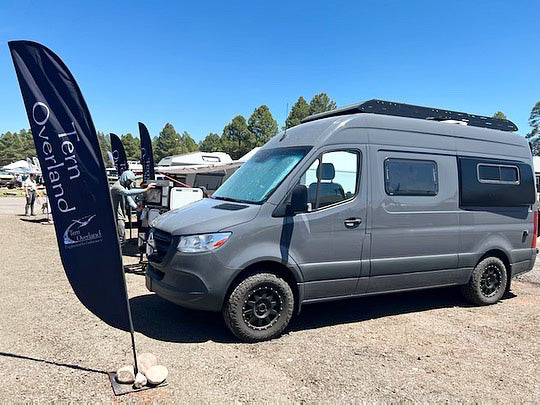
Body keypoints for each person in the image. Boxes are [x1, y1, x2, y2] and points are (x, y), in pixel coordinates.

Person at [110, 170, 155, 245]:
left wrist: (136, 207)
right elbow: (127, 193)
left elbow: (129, 198)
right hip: (117, 216)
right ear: (125, 178)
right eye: (129, 181)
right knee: (120, 239)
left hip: (121, 216)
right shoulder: (117, 187)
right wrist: (145, 190)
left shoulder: (123, 187)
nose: (130, 183)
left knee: (122, 239)